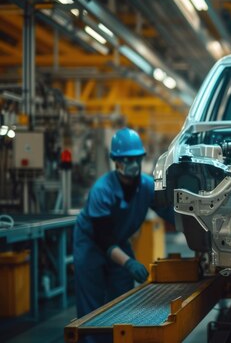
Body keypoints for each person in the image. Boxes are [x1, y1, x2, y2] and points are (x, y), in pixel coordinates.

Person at [73, 128, 174, 329]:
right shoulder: (102, 191)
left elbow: (169, 212)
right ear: (116, 161)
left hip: (118, 241)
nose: (133, 165)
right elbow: (104, 238)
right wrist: (129, 263)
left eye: (136, 159)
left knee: (123, 297)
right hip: (91, 244)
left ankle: (120, 336)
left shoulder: (146, 186)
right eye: (126, 160)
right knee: (91, 303)